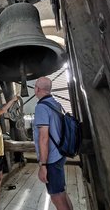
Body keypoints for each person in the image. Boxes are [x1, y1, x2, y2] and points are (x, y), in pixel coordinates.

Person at [34, 77, 73, 210]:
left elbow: (43, 138)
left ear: (37, 89)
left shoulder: (41, 107)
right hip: (60, 154)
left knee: (56, 197)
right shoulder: (55, 103)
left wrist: (43, 165)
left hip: (51, 159)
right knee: (61, 193)